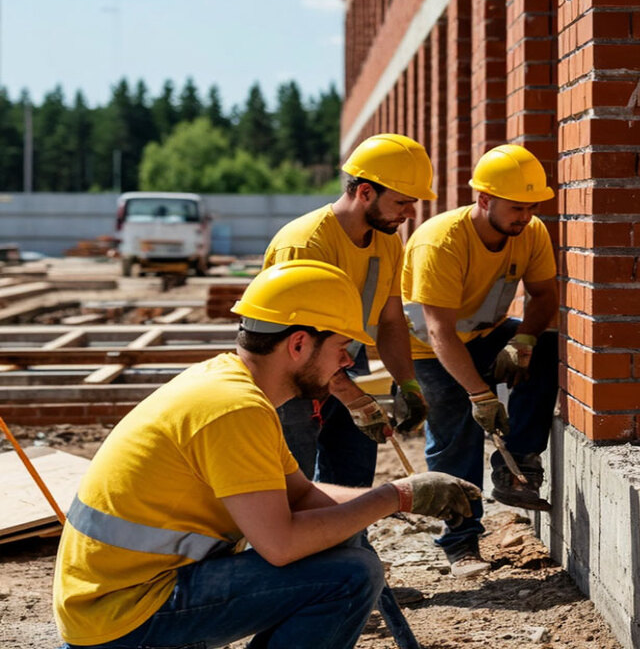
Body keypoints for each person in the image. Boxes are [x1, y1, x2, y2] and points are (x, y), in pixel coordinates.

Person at [52, 259, 480, 649]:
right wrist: (392, 498)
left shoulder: (232, 386)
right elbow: (281, 545)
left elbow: (302, 498)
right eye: (341, 348)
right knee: (350, 576)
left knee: (343, 543)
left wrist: (407, 492)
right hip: (122, 617)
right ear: (298, 344)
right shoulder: (234, 409)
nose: (346, 363)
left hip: (121, 599)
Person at [401, 144, 559, 578]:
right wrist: (481, 395)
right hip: (431, 348)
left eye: (530, 207)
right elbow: (439, 332)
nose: (524, 217)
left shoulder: (531, 233)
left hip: (487, 334)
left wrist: (524, 339)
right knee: (457, 432)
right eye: (515, 208)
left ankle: (518, 467)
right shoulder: (441, 241)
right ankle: (461, 543)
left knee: (548, 347)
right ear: (484, 200)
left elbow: (545, 296)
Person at [264, 133, 435, 489]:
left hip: (344, 360)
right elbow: (299, 346)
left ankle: (347, 544)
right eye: (403, 202)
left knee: (353, 479)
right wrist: (355, 398)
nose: (411, 213)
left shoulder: (388, 241)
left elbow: (390, 320)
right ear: (365, 192)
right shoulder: (306, 244)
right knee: (290, 488)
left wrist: (407, 383)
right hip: (289, 375)